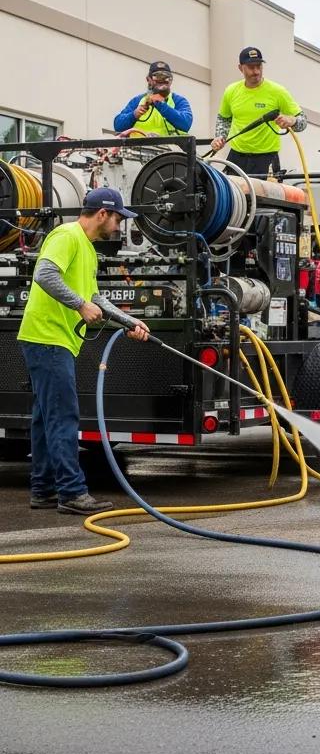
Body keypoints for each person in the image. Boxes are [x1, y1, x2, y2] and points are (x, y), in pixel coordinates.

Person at [17, 188, 150, 515]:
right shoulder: (67, 235)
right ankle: (72, 492)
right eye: (118, 217)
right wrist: (78, 305)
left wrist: (128, 321)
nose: (119, 225)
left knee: (45, 418)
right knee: (63, 415)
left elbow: (96, 298)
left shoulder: (88, 250)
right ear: (102, 214)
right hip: (48, 338)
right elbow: (44, 274)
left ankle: (44, 489)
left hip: (51, 339)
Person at [210, 47, 306, 178]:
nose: (256, 71)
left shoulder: (278, 91)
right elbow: (224, 118)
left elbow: (303, 122)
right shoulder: (231, 91)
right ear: (240, 68)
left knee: (262, 198)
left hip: (266, 158)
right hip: (237, 156)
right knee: (231, 197)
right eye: (251, 67)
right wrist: (220, 137)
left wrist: (292, 120)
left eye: (259, 66)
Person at [113, 60, 194, 136]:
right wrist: (134, 115)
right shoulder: (137, 101)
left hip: (170, 150)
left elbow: (186, 124)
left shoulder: (178, 101)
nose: (162, 80)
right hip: (139, 149)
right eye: (157, 76)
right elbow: (118, 126)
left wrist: (161, 105)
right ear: (148, 79)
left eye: (166, 77)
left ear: (171, 80)